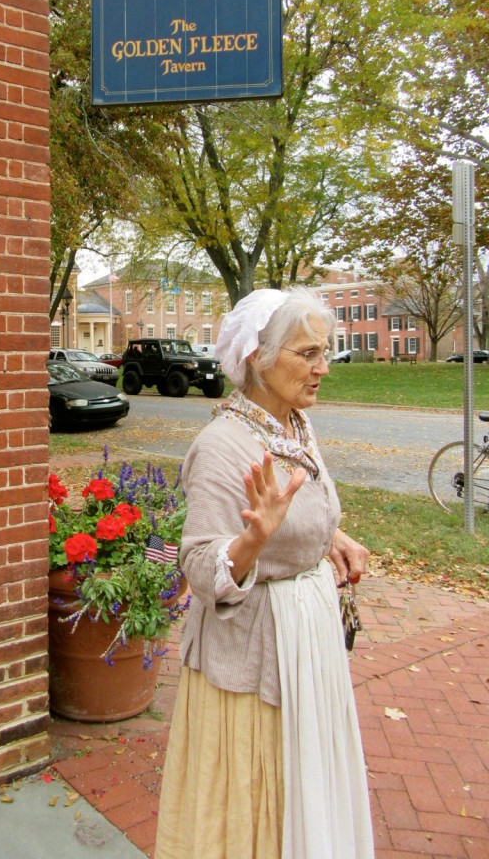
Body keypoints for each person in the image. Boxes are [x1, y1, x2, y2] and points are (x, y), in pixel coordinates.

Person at [155, 286, 374, 859]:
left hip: (309, 645)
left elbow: (303, 510)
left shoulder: (295, 425)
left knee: (307, 792)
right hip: (254, 658)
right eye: (307, 354)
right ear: (258, 356)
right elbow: (201, 567)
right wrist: (253, 539)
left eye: (325, 352)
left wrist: (333, 538)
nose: (323, 368)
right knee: (257, 810)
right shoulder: (222, 445)